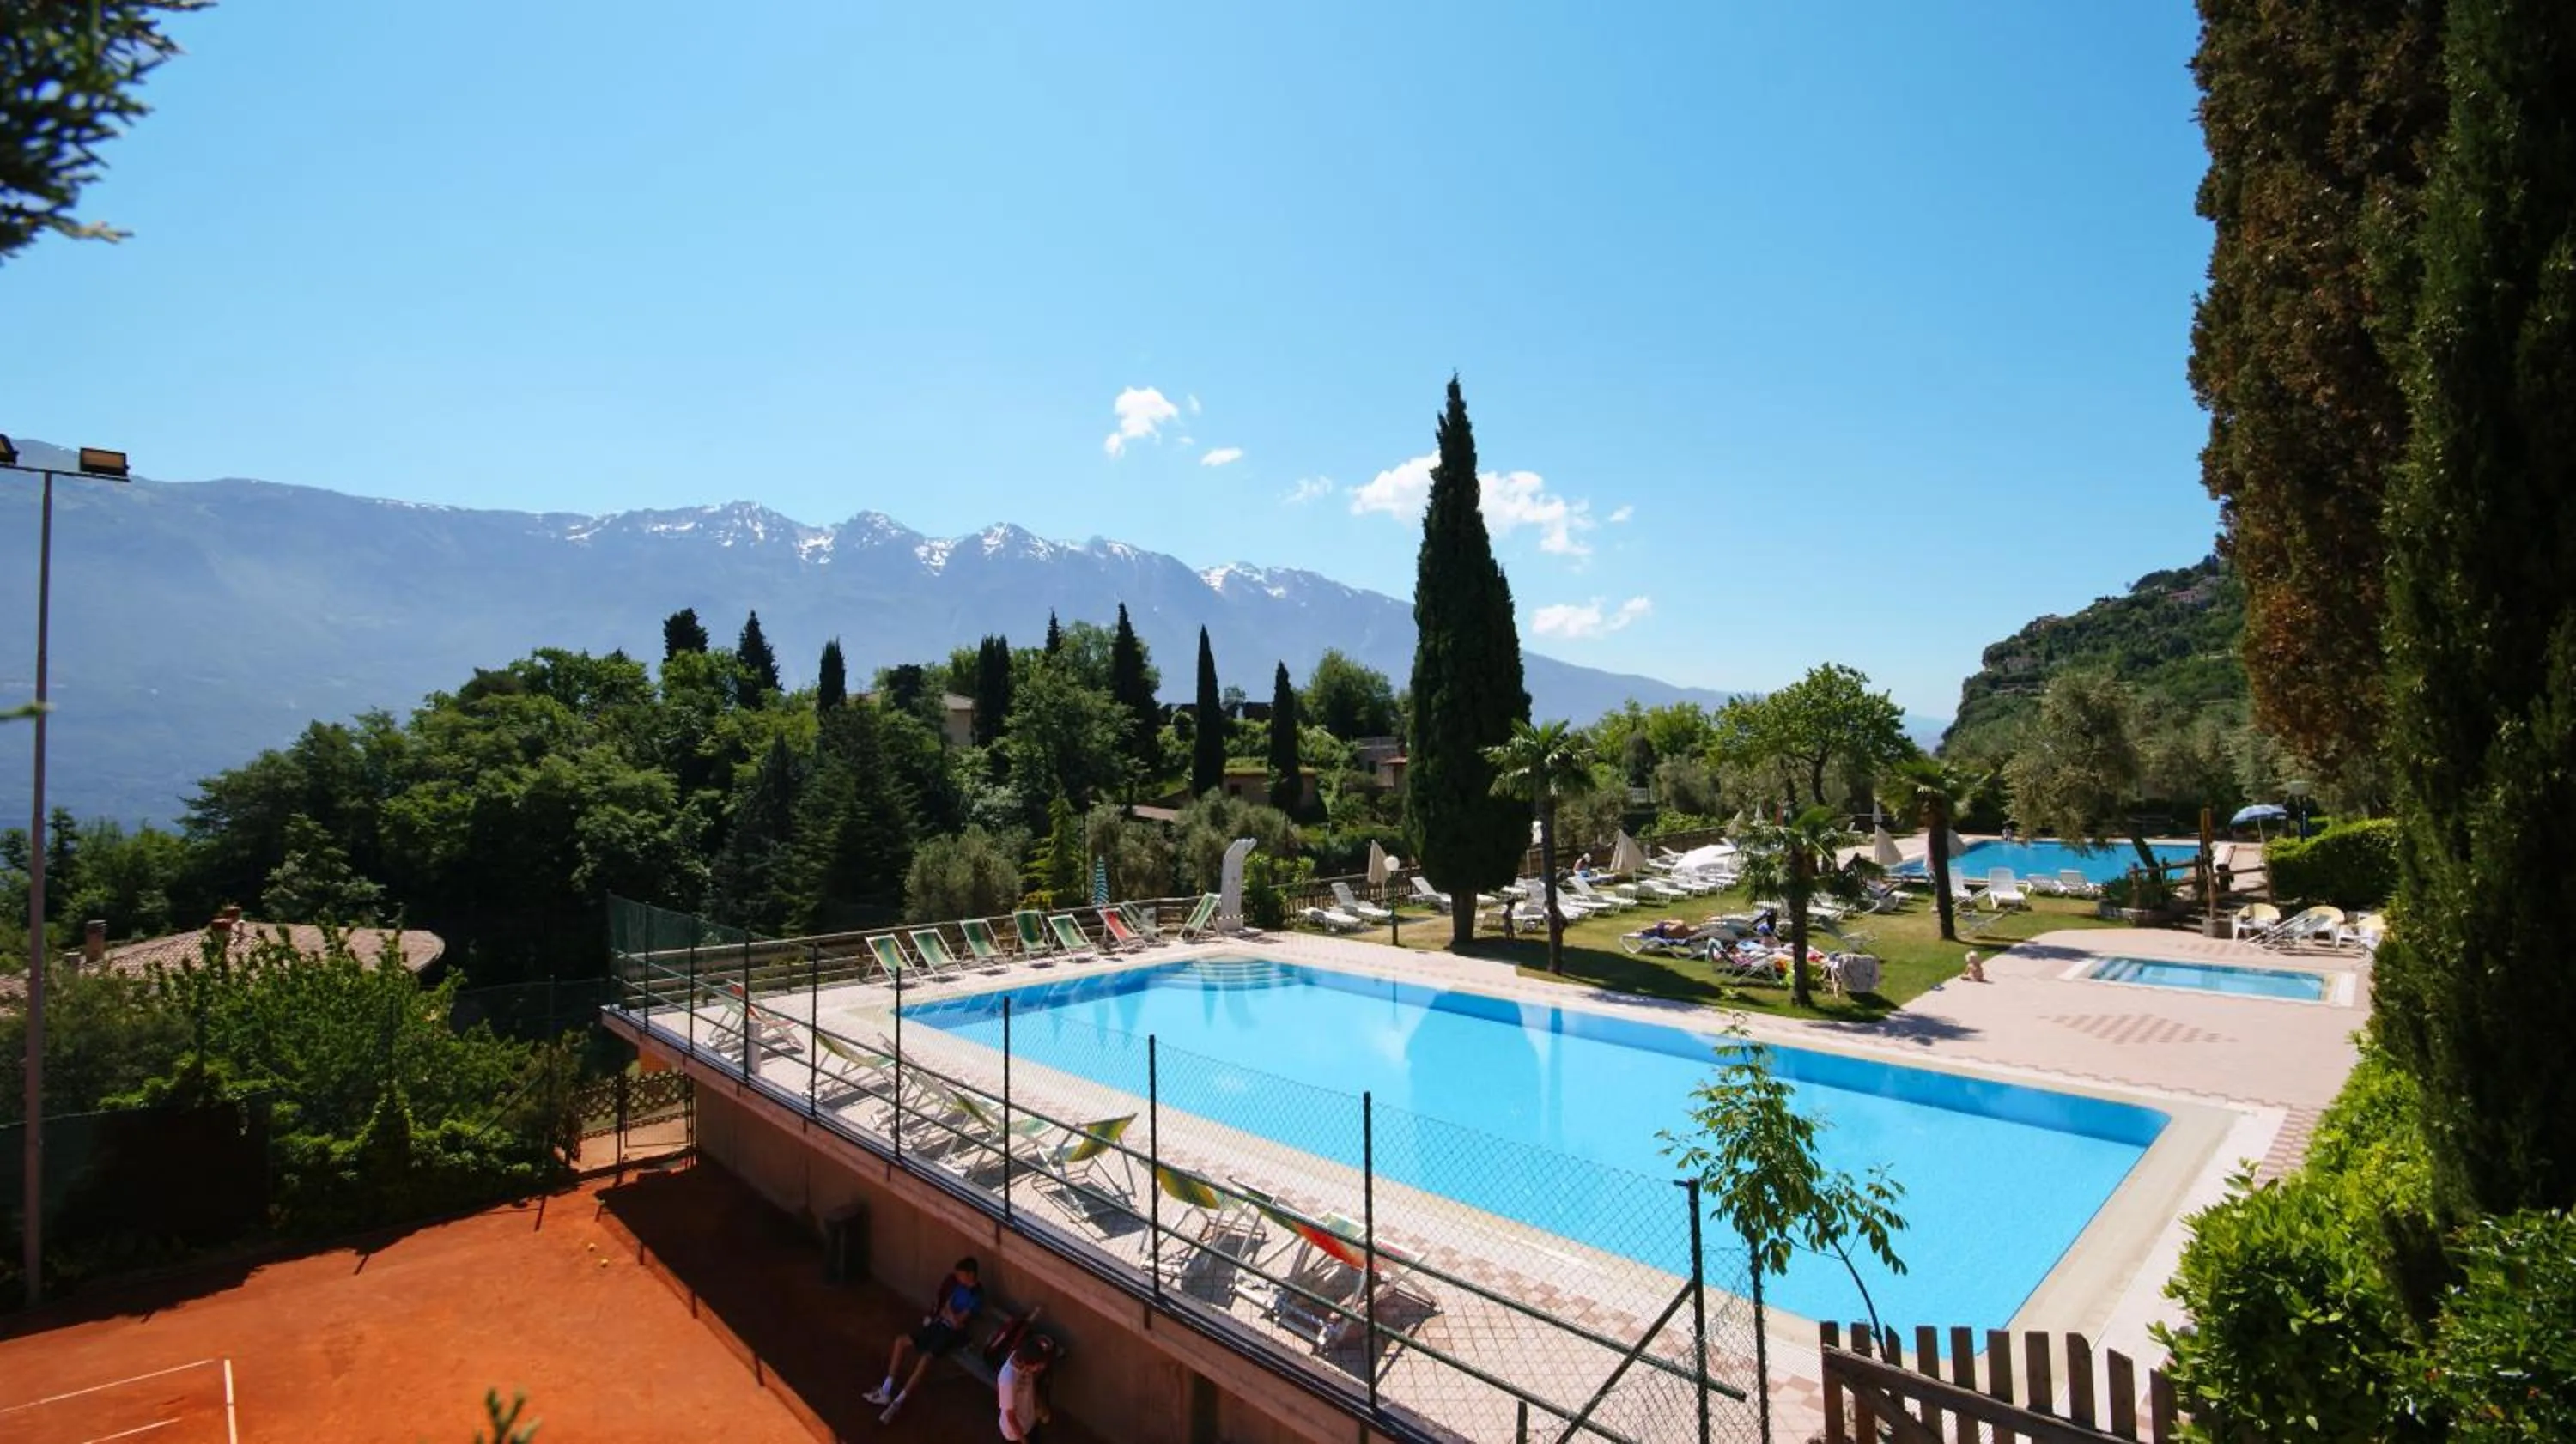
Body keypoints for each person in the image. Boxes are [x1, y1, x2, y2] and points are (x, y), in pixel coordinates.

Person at [866, 1256, 983, 1421]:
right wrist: (950, 1315)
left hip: (952, 1335)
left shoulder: (977, 1296)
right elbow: (945, 1309)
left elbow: (957, 1323)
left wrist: (950, 1315)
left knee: (925, 1358)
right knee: (901, 1341)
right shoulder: (960, 1287)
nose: (958, 1278)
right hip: (939, 1326)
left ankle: (898, 1402)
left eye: (961, 1275)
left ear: (971, 1274)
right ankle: (886, 1390)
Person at [997, 1332, 1054, 1441]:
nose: (1040, 1368)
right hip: (1014, 1434)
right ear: (1026, 1363)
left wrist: (1040, 1405)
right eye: (1038, 1366)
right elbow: (1010, 1417)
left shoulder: (1022, 1359)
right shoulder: (1008, 1380)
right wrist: (1023, 1441)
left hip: (1029, 1422)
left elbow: (1030, 1386)